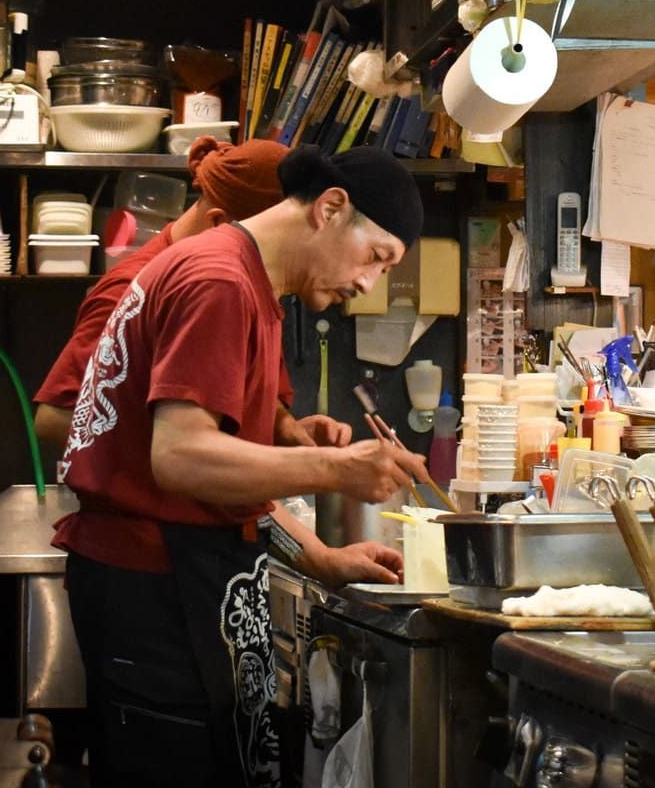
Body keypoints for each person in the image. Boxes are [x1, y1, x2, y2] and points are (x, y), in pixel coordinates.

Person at [52, 145, 430, 788]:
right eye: (376, 258)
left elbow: (223, 479)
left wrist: (321, 559)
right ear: (331, 209)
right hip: (157, 593)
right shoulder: (220, 282)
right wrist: (338, 470)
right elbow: (182, 460)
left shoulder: (245, 281)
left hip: (177, 581)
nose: (369, 283)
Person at [33, 137, 341, 452]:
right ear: (221, 225)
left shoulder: (252, 287)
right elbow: (56, 417)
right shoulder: (132, 291)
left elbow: (246, 390)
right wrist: (183, 451)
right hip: (158, 501)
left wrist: (282, 427)